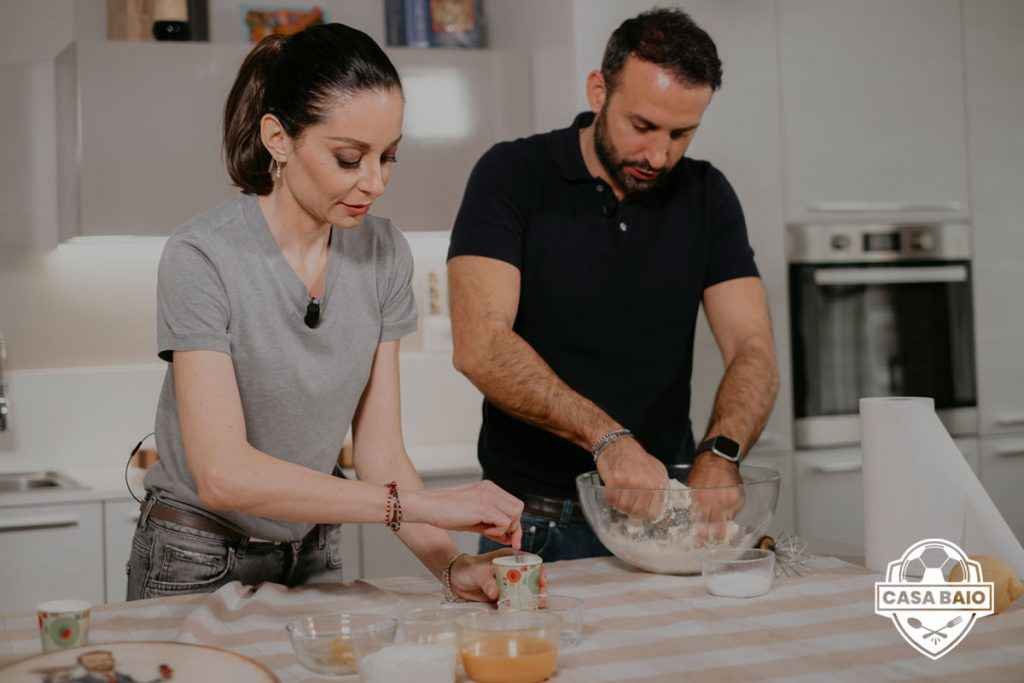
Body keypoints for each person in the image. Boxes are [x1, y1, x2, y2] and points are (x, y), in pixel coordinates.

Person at [127, 23, 523, 602]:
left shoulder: (384, 252)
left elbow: (379, 453)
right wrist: (426, 504)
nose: (375, 182)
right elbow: (222, 474)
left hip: (310, 550)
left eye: (388, 157)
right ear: (278, 139)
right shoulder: (202, 256)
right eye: (349, 158)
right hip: (194, 555)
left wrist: (452, 564)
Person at [448, 8, 779, 563]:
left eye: (681, 134)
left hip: (665, 520)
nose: (659, 156)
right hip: (534, 524)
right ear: (598, 91)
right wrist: (608, 440)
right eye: (643, 127)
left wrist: (722, 452)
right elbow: (480, 344)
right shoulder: (512, 175)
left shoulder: (707, 195)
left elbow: (753, 348)